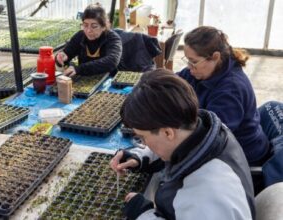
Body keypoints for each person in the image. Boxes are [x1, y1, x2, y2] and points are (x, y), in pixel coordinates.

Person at [110, 69, 255, 220]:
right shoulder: (207, 131)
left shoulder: (206, 196)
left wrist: (143, 213)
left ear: (167, 133)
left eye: (142, 137)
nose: (144, 143)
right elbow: (178, 146)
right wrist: (140, 157)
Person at [177, 26, 270, 166]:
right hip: (217, 143)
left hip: (241, 158)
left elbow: (210, 138)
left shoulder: (231, 90)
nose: (189, 67)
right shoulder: (202, 70)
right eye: (188, 60)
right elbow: (172, 83)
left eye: (194, 61)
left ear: (215, 57)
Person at [55, 3, 122, 77]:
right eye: (85, 25)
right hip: (84, 80)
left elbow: (111, 61)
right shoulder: (80, 36)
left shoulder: (113, 39)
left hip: (107, 80)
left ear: (104, 27)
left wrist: (79, 69)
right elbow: (67, 52)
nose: (88, 30)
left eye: (94, 26)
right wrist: (61, 57)